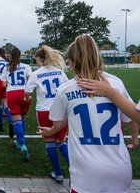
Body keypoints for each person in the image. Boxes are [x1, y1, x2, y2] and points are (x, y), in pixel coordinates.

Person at [39, 35, 133, 193]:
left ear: (73, 62)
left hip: (86, 173)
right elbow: (130, 118)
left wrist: (50, 131)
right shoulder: (115, 85)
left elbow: (58, 123)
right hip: (120, 168)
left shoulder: (66, 89)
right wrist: (135, 138)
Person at [25, 45, 68, 183]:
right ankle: (77, 172)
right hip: (60, 109)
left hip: (44, 110)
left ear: (39, 58)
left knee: (49, 141)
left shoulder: (35, 73)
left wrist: (27, 98)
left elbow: (27, 93)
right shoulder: (60, 72)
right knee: (61, 141)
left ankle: (58, 173)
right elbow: (67, 88)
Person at [78, 71, 139, 148]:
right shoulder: (115, 82)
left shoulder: (69, 86)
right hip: (114, 144)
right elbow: (132, 116)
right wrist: (134, 139)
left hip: (83, 147)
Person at [1, 47, 32, 161]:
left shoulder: (7, 67)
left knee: (16, 119)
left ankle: (22, 144)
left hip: (12, 94)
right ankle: (20, 141)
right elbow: (30, 80)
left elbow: (4, 85)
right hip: (24, 93)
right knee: (22, 118)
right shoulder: (27, 66)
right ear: (20, 55)